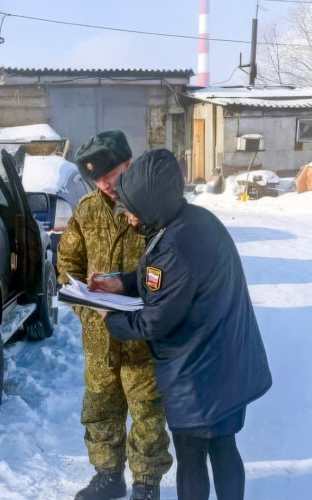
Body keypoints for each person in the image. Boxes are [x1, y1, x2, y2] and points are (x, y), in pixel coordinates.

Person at [92, 149, 272, 500]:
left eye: (132, 209)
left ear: (151, 202)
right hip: (225, 362)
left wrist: (111, 319)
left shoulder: (175, 244)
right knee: (223, 448)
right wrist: (123, 283)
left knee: (192, 456)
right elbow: (165, 280)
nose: (128, 217)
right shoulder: (191, 221)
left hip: (199, 373)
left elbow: (155, 320)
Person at [57, 131, 172, 500]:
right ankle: (108, 476)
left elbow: (173, 265)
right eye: (98, 178)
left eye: (113, 173)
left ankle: (146, 484)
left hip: (143, 336)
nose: (106, 183)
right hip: (100, 336)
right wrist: (83, 305)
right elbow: (67, 263)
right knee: (100, 411)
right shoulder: (87, 209)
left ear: (130, 164)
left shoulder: (154, 208)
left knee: (148, 416)